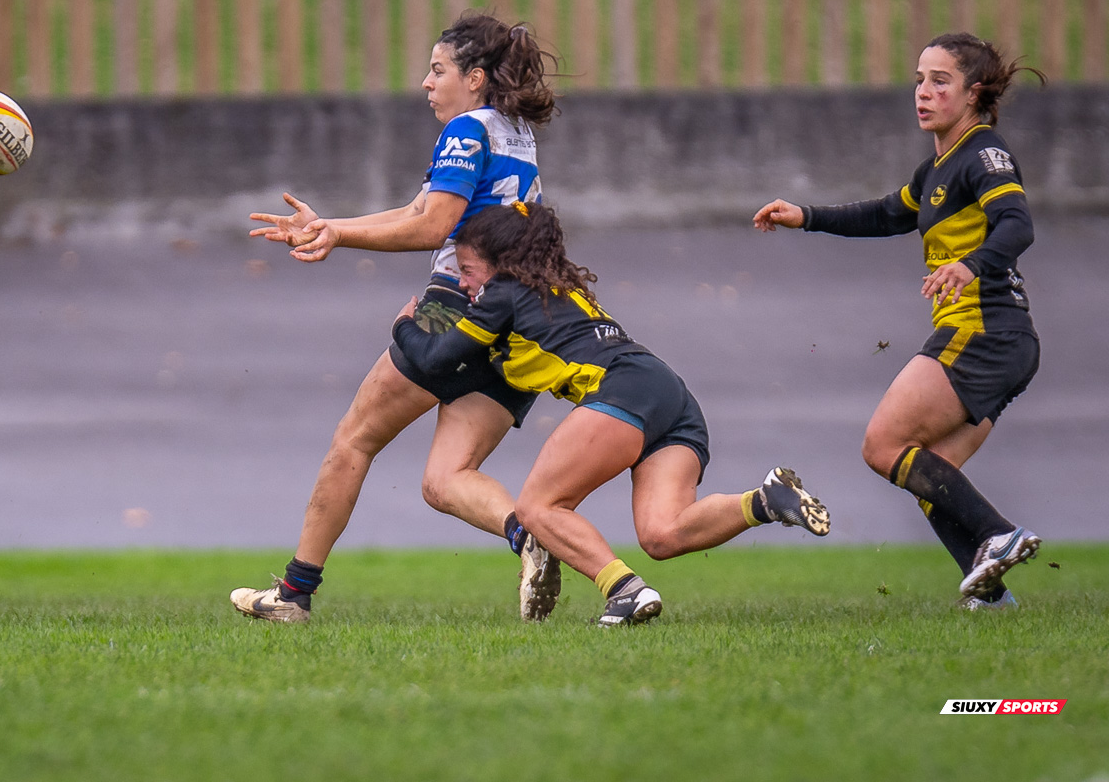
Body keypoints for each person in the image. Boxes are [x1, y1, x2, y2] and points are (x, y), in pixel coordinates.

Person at [232, 14, 562, 623]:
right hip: (519, 320)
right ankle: (530, 535)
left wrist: (340, 238)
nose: (426, 83)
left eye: (438, 71)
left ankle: (293, 594)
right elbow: (419, 207)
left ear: (476, 78)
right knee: (445, 479)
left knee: (354, 440)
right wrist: (333, 227)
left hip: (456, 307)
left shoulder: (466, 129)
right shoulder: (513, 131)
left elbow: (434, 225)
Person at [393, 201, 832, 627]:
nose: (465, 285)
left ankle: (624, 590)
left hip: (622, 390)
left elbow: (436, 359)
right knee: (663, 533)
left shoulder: (503, 292)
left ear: (501, 264)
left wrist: (403, 325)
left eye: (468, 271)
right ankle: (765, 500)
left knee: (538, 508)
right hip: (670, 395)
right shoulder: (553, 288)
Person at [753, 32, 1044, 608]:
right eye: (919, 80)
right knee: (933, 473)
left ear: (973, 94)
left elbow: (1017, 225)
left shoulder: (985, 153)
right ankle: (989, 596)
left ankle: (998, 535)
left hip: (984, 331)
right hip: (1001, 341)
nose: (924, 92)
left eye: (941, 81)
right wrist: (805, 215)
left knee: (883, 444)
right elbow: (888, 213)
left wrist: (971, 264)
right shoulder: (937, 166)